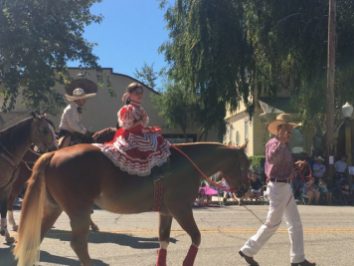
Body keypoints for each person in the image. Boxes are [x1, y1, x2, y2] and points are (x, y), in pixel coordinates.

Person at [239, 113, 315, 266]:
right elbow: (272, 159)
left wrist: (296, 166)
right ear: (279, 130)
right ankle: (248, 250)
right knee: (272, 223)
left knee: (295, 223)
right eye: (287, 130)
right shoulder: (272, 143)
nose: (289, 133)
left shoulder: (285, 147)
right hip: (278, 187)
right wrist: (280, 141)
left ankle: (297, 258)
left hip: (285, 186)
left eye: (290, 131)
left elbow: (282, 167)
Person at [95, 82, 170, 176]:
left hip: (139, 134)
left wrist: (149, 128)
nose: (140, 95)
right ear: (130, 95)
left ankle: (158, 173)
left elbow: (142, 125)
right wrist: (140, 122)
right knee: (143, 148)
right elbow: (127, 126)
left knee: (156, 139)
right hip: (130, 135)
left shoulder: (140, 108)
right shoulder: (127, 109)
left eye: (141, 92)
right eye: (137, 92)